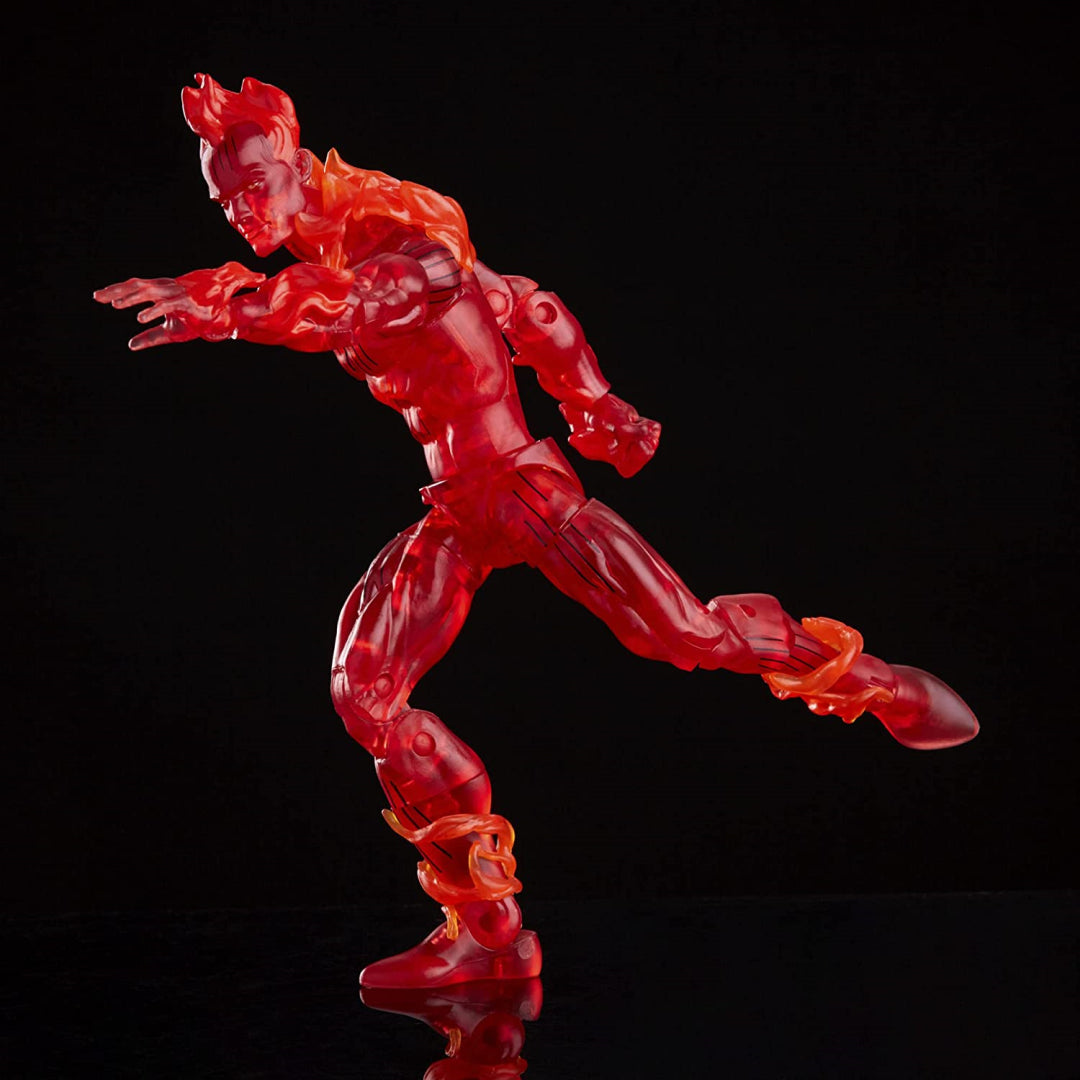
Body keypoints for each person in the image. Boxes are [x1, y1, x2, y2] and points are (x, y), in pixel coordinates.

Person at [95, 74, 978, 989]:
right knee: (365, 696)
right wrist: (594, 401)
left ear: (296, 163)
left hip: (525, 489)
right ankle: (489, 933)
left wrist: (229, 311)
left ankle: (874, 684)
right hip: (458, 508)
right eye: (224, 201)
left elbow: (350, 308)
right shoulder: (348, 251)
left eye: (252, 187)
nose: (240, 214)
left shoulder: (409, 245)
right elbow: (528, 308)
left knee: (686, 634)